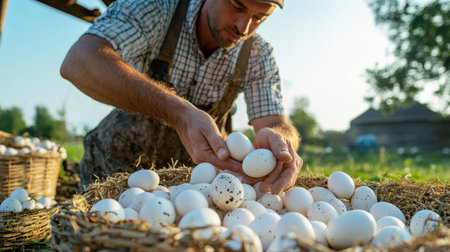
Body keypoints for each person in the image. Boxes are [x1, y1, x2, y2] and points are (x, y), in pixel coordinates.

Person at [60, 0, 303, 195]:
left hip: (197, 190)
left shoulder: (258, 54)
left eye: (260, 17)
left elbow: (276, 122)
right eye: (237, 6)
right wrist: (179, 113)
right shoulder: (155, 9)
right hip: (112, 177)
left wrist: (280, 141)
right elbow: (79, 61)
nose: (244, 27)